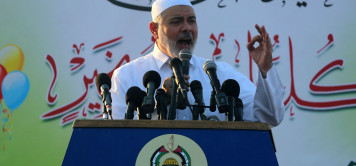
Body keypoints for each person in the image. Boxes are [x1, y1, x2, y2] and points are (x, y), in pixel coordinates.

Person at [111, 0, 285, 126]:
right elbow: (119, 135)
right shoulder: (128, 75)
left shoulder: (219, 73)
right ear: (154, 30)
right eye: (176, 21)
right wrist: (161, 101)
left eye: (191, 21)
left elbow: (270, 117)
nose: (187, 28)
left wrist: (265, 69)